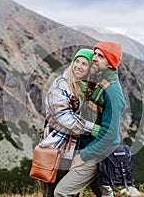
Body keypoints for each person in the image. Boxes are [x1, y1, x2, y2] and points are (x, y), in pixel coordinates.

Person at [54, 41, 126, 197]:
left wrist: (83, 156)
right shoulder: (98, 82)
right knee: (103, 193)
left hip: (100, 152)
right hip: (93, 147)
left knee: (61, 192)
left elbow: (110, 134)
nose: (94, 58)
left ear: (110, 63)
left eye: (101, 56)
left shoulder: (112, 90)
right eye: (95, 54)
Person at [39, 48, 101, 197]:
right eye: (77, 61)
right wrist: (92, 128)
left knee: (72, 192)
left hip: (75, 150)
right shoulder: (61, 84)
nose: (78, 66)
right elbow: (63, 116)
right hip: (57, 147)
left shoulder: (87, 88)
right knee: (54, 191)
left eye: (84, 64)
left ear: (90, 68)